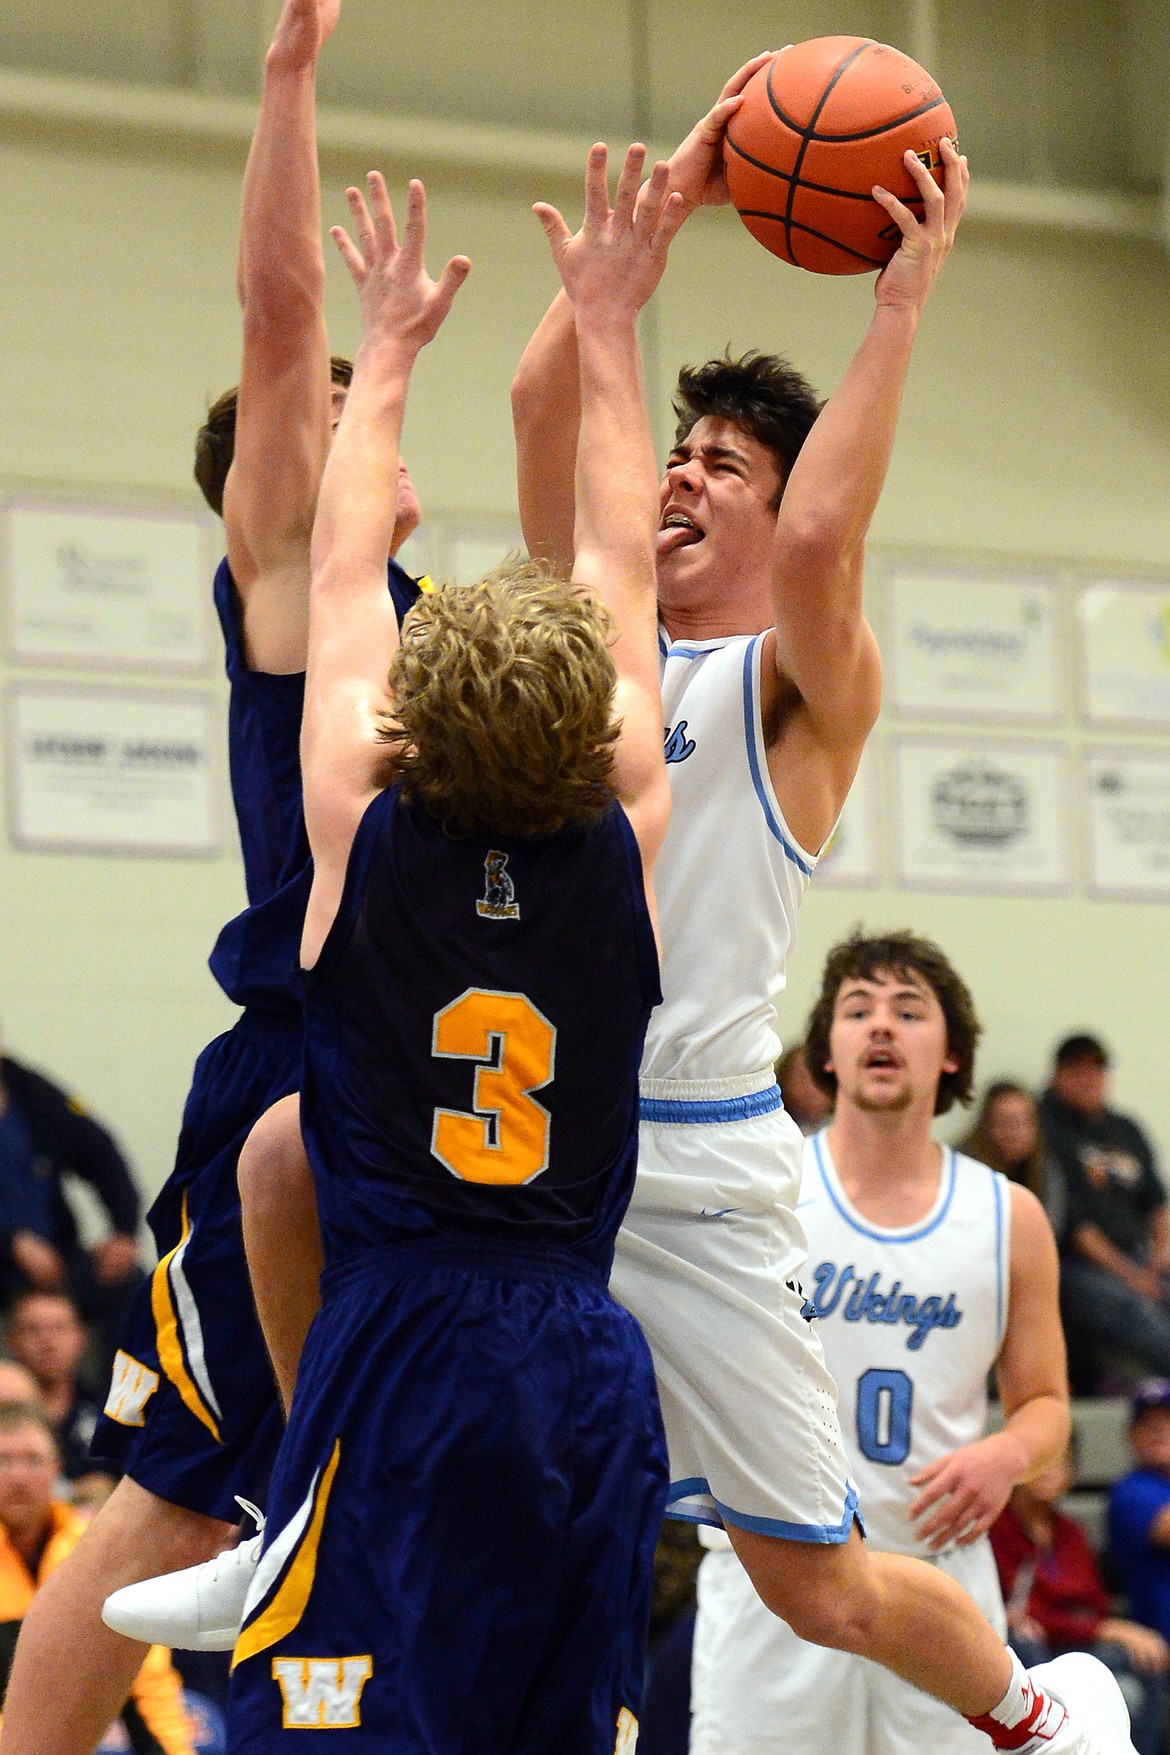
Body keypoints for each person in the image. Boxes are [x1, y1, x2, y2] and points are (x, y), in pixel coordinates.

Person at [508, 58, 1133, 1755]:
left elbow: (837, 525)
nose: (685, 478)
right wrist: (645, 255)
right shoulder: (594, 637)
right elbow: (543, 421)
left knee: (811, 1580)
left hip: (703, 1169)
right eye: (683, 451)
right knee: (453, 1460)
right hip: (539, 1140)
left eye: (728, 464)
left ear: (777, 517)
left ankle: (1033, 1709)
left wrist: (900, 306)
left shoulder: (798, 688)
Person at [0, 4, 427, 1752]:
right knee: (174, 1498)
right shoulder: (285, 586)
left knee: (404, 1481)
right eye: (326, 408)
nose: (356, 407)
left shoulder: (421, 633)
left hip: (413, 1082)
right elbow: (280, 311)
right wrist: (287, 82)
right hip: (297, 1076)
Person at [221, 137, 678, 1750]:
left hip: (399, 1343)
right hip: (580, 1359)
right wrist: (610, 324)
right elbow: (622, 565)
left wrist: (389, 356)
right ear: (601, 729)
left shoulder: (362, 822)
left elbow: (345, 570)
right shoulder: (627, 831)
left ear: (407, 719)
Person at [689, 929, 1070, 1755]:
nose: (881, 1026)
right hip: (776, 1585)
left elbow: (1046, 1406)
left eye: (908, 1009)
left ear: (954, 1054)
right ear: (827, 1048)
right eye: (857, 1009)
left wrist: (1005, 1455)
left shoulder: (1010, 1217)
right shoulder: (765, 1187)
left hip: (937, 1584)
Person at [0, 1402, 193, 1755]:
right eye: (3, 1460)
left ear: (56, 1470)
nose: (18, 1477)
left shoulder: (92, 1550)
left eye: (32, 1459)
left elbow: (146, 1683)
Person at [995, 1442, 1170, 1755]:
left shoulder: (1072, 1532)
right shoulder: (994, 1531)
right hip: (1022, 1653)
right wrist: (1096, 1628)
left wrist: (1090, 1627)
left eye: (1058, 1462)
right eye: (1041, 1460)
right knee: (1029, 1645)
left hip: (1075, 1643)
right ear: (1016, 1469)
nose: (1048, 1471)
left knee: (1147, 1661)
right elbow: (1019, 1614)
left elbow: (1095, 1604)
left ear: (1071, 1474)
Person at [0, 1038, 143, 1371]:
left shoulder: (30, 1092)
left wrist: (123, 1231)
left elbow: (101, 1153)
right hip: (8, 1263)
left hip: (55, 1258)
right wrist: (11, 1243)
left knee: (129, 1284)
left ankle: (110, 1409)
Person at [1039, 1036, 1170, 1384]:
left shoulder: (1124, 1128)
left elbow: (1156, 1202)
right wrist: (1134, 1277)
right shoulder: (1047, 1130)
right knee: (1138, 1312)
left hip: (1141, 1256)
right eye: (1077, 1069)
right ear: (1057, 1075)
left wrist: (1161, 1253)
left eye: (1096, 1069)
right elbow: (1077, 1227)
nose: (1088, 1078)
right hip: (1081, 1265)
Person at [6, 1290, 117, 1498]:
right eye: (33, 1330)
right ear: (12, 1340)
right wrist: (72, 1493)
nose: (47, 1341)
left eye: (59, 1328)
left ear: (80, 1337)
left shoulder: (111, 1412)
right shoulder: (4, 1412)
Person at [1109, 1379, 1170, 1651]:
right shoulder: (1131, 1491)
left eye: (1166, 1423)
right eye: (1148, 1424)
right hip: (1158, 1644)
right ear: (1131, 1434)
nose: (1158, 1432)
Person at [775, 1040, 833, 1134]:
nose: (810, 1089)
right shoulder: (776, 1131)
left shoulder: (845, 1130)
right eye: (801, 1078)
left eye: (818, 1078)